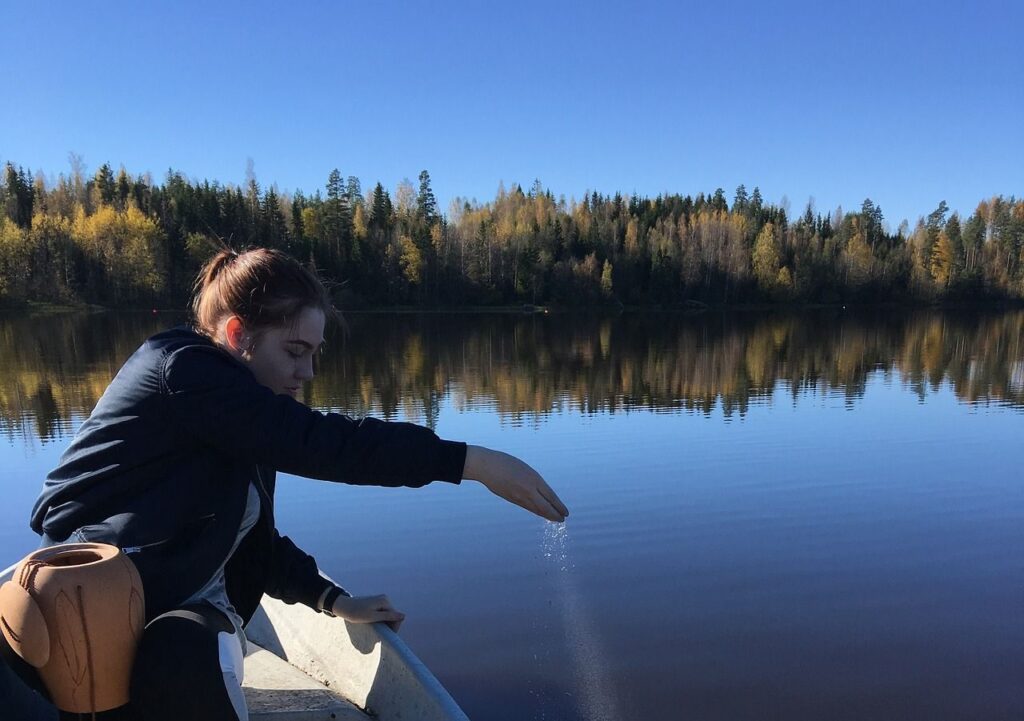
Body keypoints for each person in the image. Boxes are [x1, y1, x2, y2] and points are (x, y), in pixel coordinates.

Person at [6, 247, 568, 720]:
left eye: (315, 354)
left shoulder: (248, 414)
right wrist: (471, 462)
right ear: (236, 334)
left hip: (190, 613)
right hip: (90, 600)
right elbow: (330, 443)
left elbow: (248, 541)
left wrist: (332, 599)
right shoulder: (183, 370)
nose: (308, 373)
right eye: (295, 351)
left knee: (177, 656)